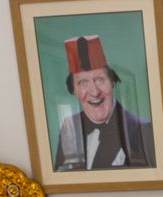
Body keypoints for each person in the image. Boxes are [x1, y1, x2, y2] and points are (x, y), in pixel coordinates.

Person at [54, 35, 156, 171]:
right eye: (82, 82)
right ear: (74, 90)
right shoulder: (69, 128)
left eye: (100, 79)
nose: (94, 92)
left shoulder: (143, 130)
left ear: (112, 82)